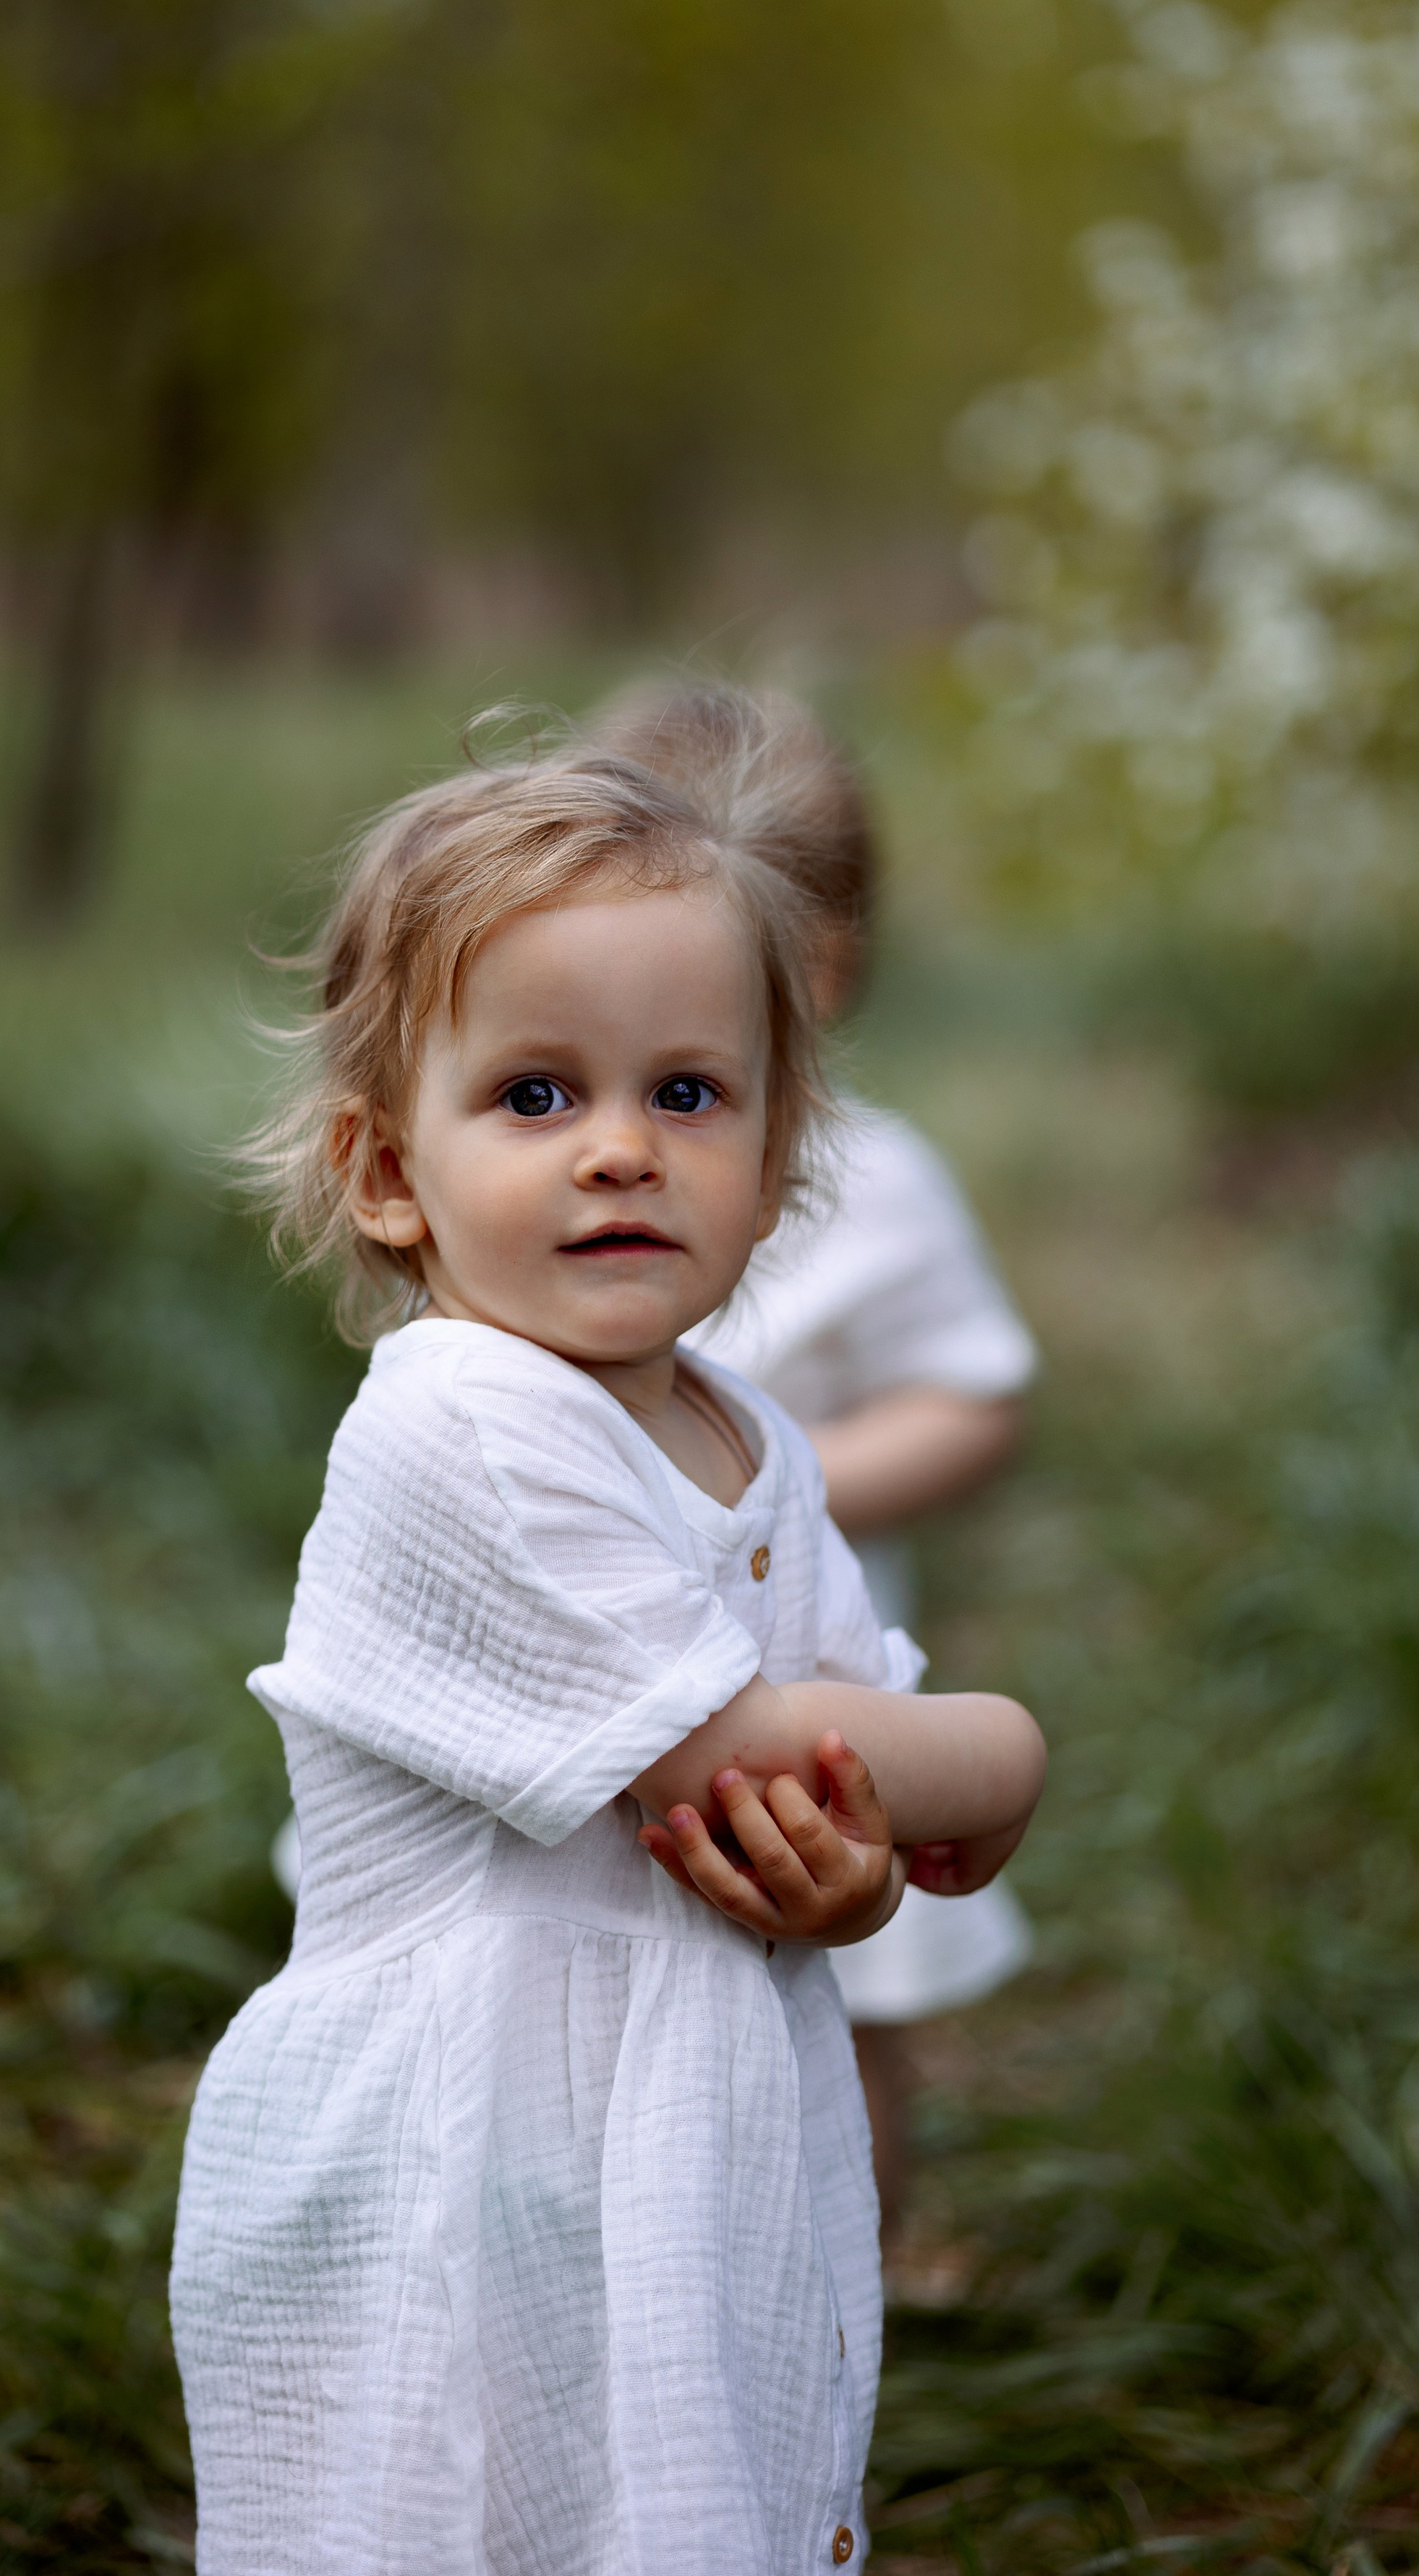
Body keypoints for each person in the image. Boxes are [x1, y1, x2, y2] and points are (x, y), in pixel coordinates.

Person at [171, 748, 1047, 2572]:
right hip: (455, 2153)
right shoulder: (464, 1422)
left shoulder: (748, 1439)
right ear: (386, 1171)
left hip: (676, 2116)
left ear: (776, 1165)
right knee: (472, 2502)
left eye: (688, 1092)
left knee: (679, 2487)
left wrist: (847, 1880)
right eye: (536, 1091)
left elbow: (823, 1804)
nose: (620, 1144)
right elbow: (765, 1747)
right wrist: (1000, 1751)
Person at [576, 679, 1038, 2236]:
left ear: (813, 963)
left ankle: (849, 2296)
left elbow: (972, 1395)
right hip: (584, 1703)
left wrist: (781, 1479)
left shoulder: (874, 1183)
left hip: (810, 1692)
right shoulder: (542, 1172)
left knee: (836, 2020)